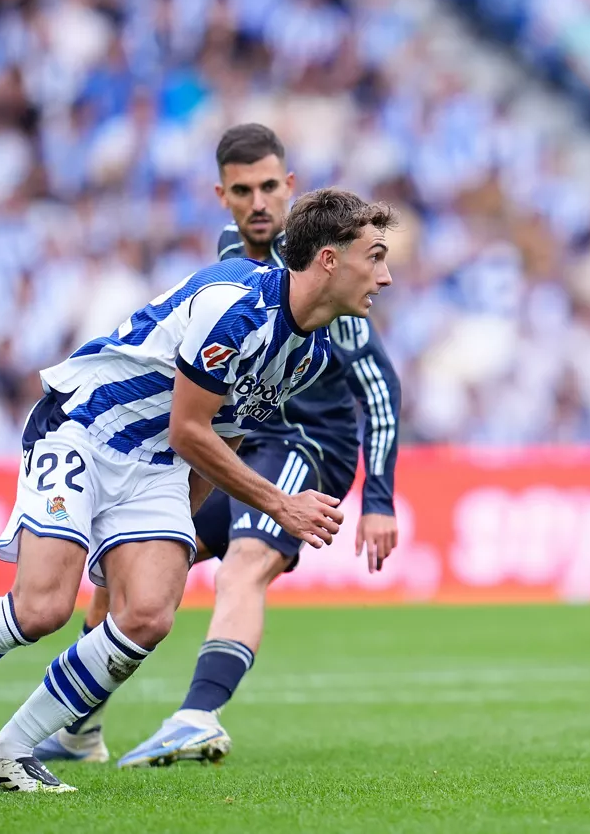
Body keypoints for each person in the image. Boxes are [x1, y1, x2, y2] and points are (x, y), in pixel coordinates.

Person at [0, 188, 397, 793]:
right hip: (84, 428)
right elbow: (189, 427)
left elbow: (221, 440)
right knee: (41, 609)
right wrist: (282, 503)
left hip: (155, 469)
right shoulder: (239, 305)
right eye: (376, 256)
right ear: (329, 260)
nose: (384, 277)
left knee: (149, 615)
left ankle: (9, 753)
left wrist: (175, 529)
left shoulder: (307, 354)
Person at [33, 124, 402, 768]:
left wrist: (379, 496)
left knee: (246, 562)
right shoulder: (232, 262)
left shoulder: (324, 266)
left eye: (269, 187)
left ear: (289, 188)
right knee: (120, 581)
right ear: (222, 196)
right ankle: (79, 730)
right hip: (234, 444)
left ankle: (197, 715)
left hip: (306, 443)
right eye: (243, 190)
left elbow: (379, 384)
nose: (258, 203)